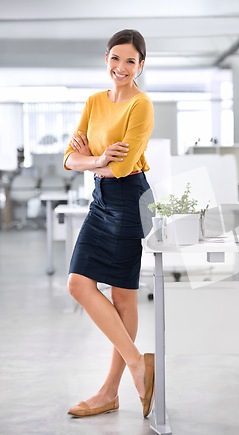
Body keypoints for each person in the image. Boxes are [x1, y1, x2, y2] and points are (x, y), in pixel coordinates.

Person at [63, 29, 155, 418]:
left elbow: (123, 167)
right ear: (106, 58)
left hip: (130, 200)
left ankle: (108, 392)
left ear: (140, 65)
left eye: (130, 61)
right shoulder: (94, 102)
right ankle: (137, 363)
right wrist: (98, 161)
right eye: (115, 58)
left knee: (123, 297)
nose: (121, 67)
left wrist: (96, 161)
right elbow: (69, 158)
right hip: (100, 200)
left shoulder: (141, 105)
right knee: (78, 283)